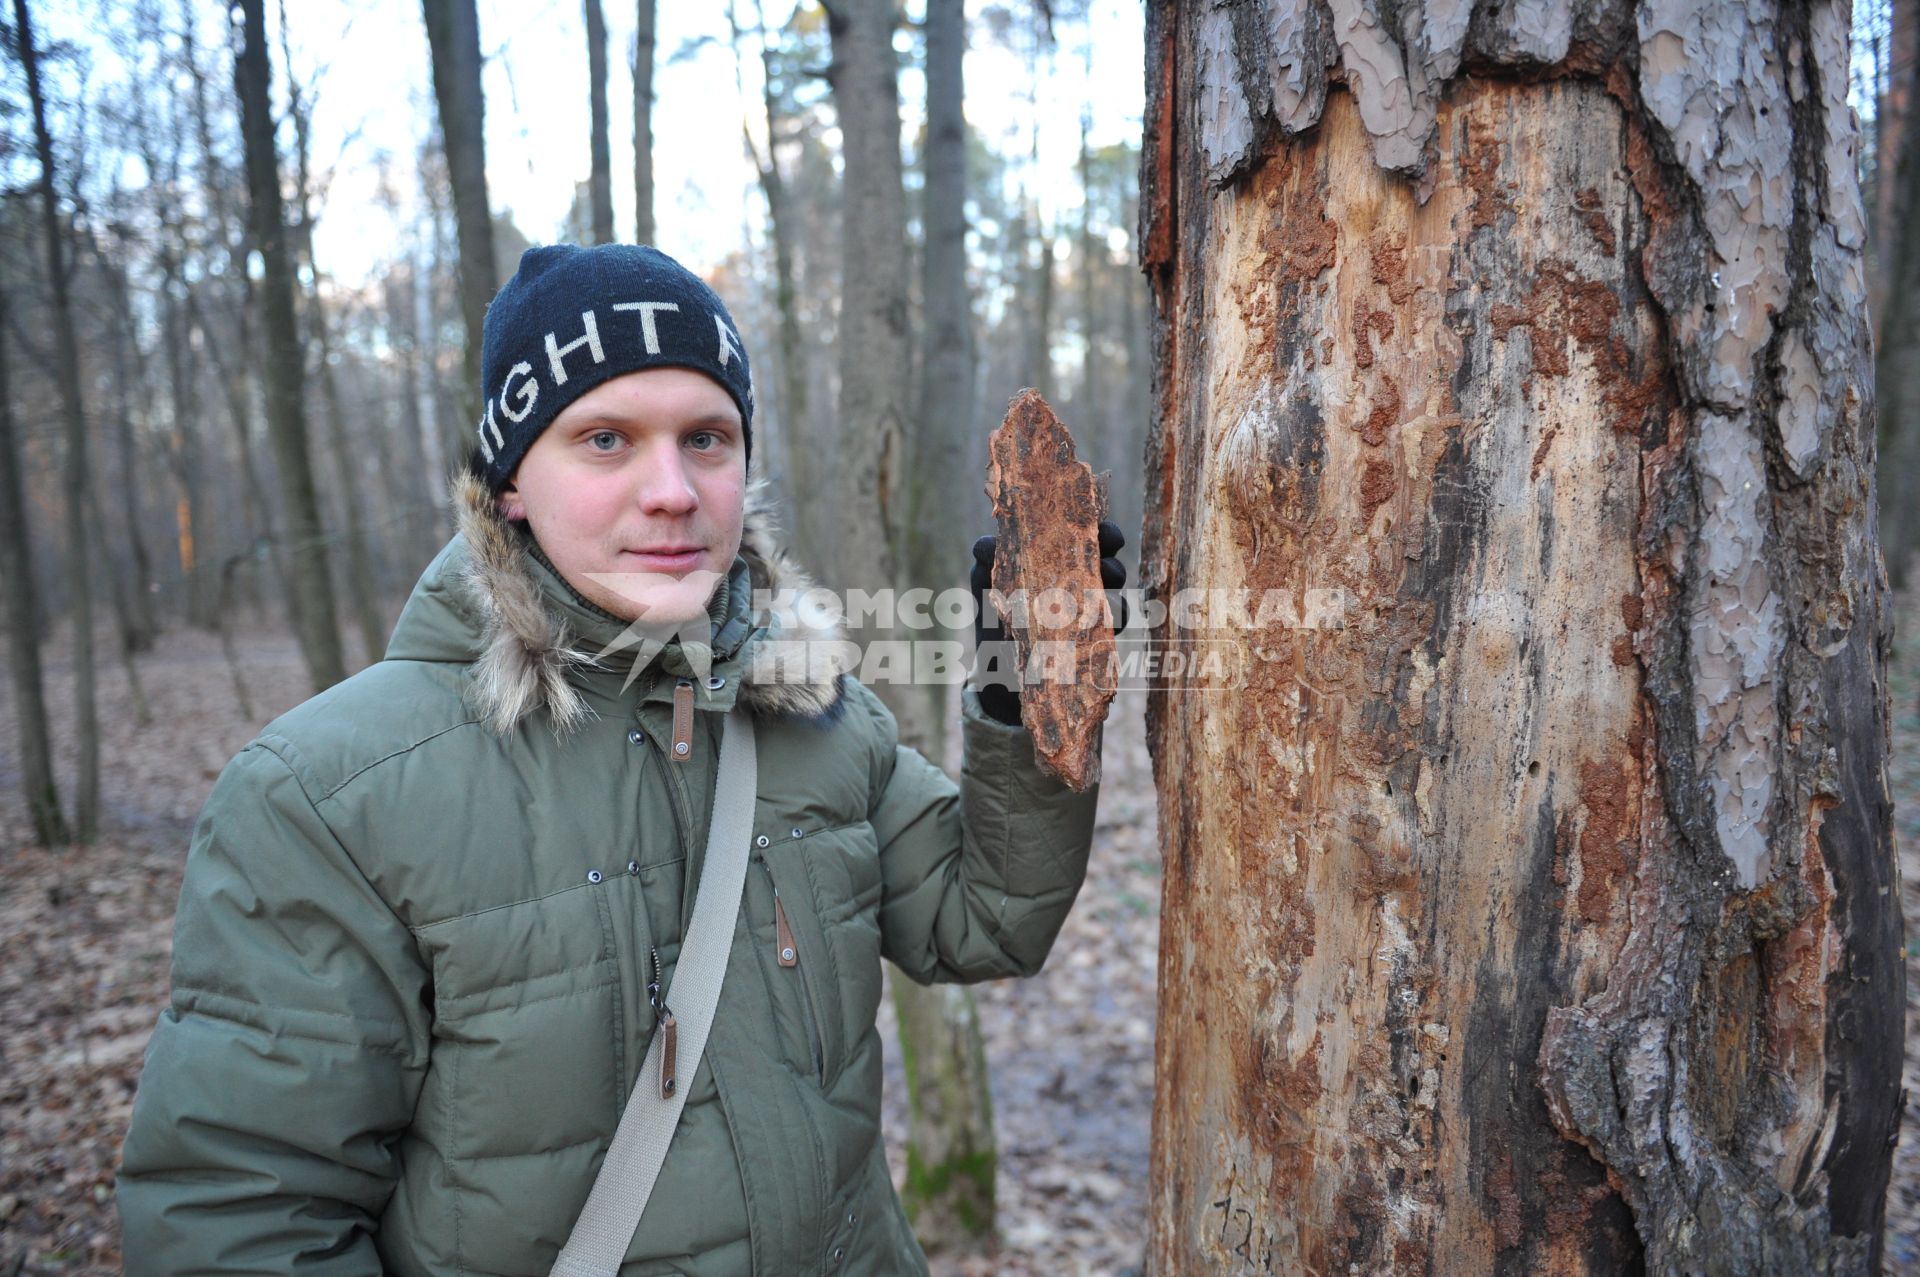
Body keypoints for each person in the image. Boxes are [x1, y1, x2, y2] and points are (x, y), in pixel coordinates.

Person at [118, 243, 1123, 1275]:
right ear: (508, 484)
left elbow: (987, 916)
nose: (674, 490)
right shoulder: (330, 794)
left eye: (708, 438)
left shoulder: (817, 714)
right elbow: (241, 1210)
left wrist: (1022, 691)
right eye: (605, 438)